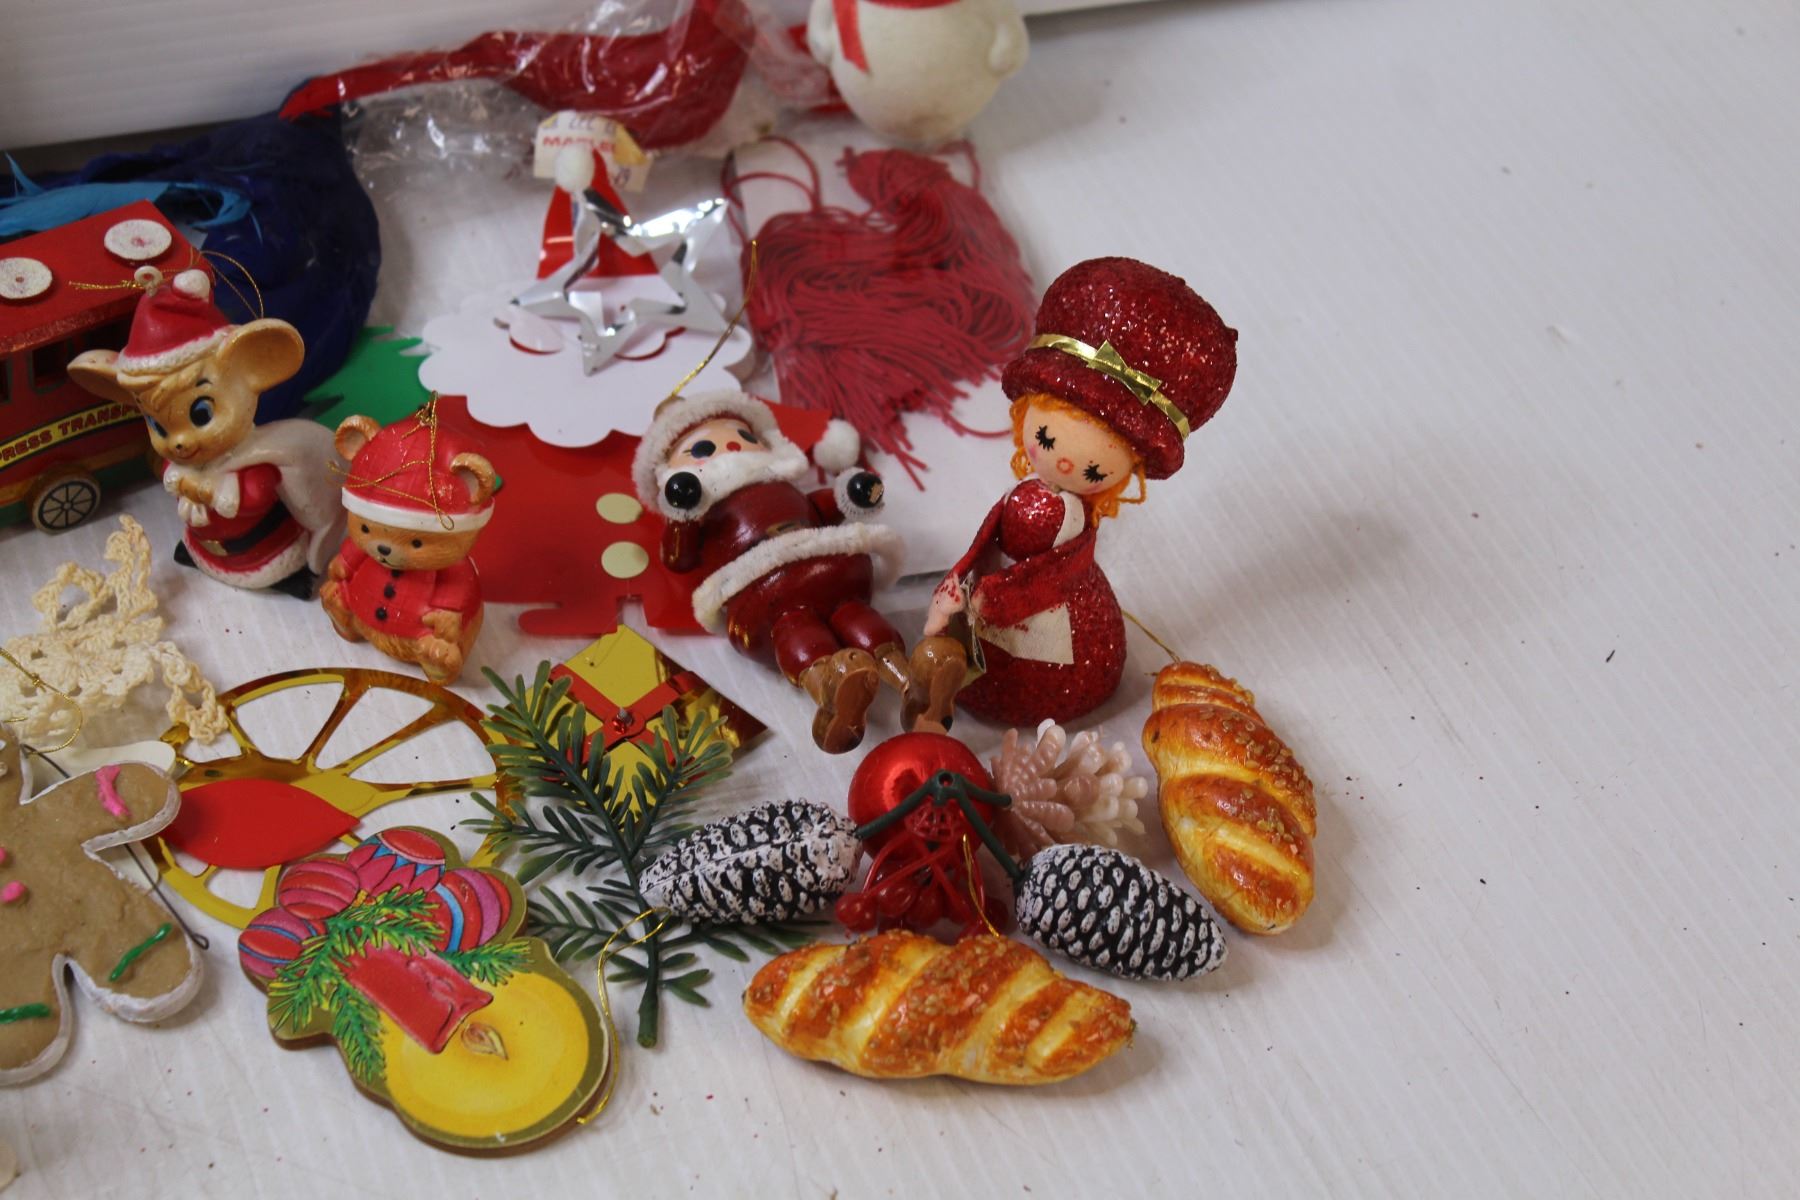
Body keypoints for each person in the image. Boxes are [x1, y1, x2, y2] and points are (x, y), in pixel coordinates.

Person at [920, 256, 1239, 724]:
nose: (1065, 463)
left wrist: (992, 598)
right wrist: (957, 584)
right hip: (991, 595)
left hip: (1051, 620)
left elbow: (1057, 571)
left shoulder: (1074, 522)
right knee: (978, 662)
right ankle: (954, 683)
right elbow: (987, 538)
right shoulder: (1020, 494)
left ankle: (1018, 692)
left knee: (1040, 670)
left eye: (1093, 467)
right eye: (1046, 439)